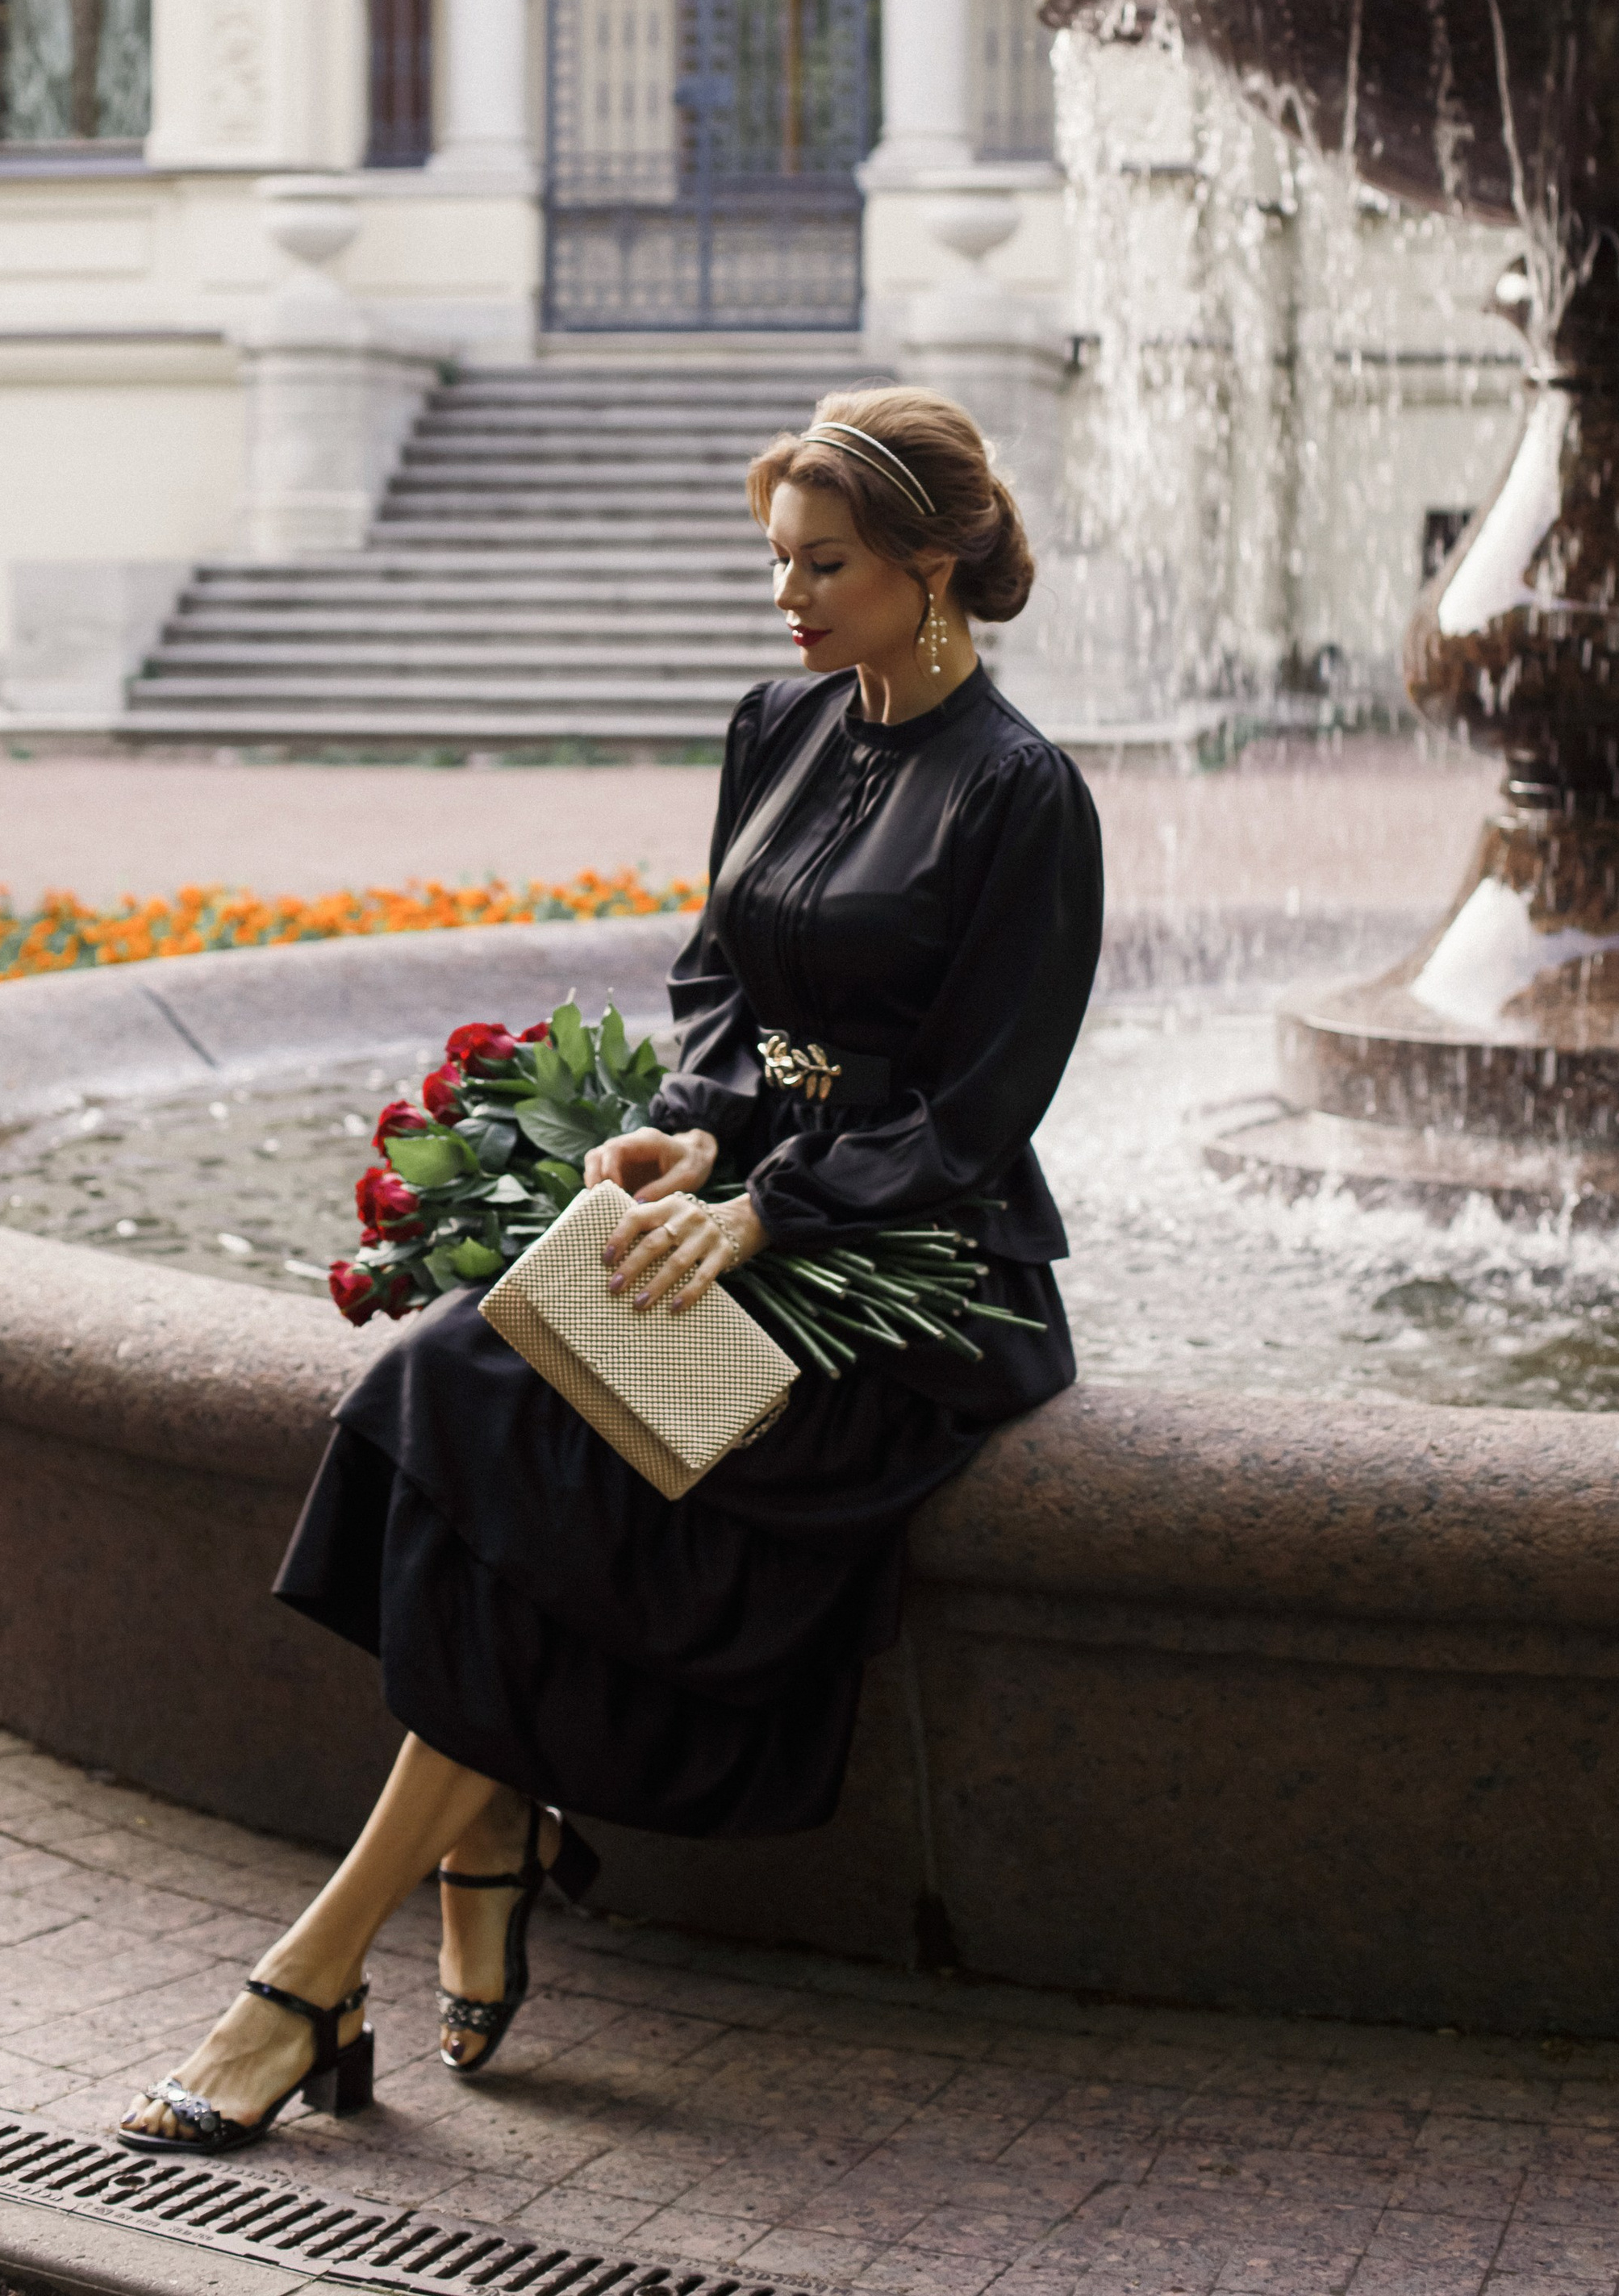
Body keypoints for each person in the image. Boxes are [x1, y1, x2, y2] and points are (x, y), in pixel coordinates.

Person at [119, 384, 1104, 2154]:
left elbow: (976, 1109)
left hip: (924, 1273)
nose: (785, 601)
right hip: (747, 1205)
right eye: (777, 564)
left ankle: (312, 1971)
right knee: (446, 1375)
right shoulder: (780, 724)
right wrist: (694, 1132)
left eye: (824, 568)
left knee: (560, 1455)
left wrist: (766, 1215)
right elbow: (721, 988)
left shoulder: (1023, 793)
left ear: (930, 568)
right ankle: (476, 1841)